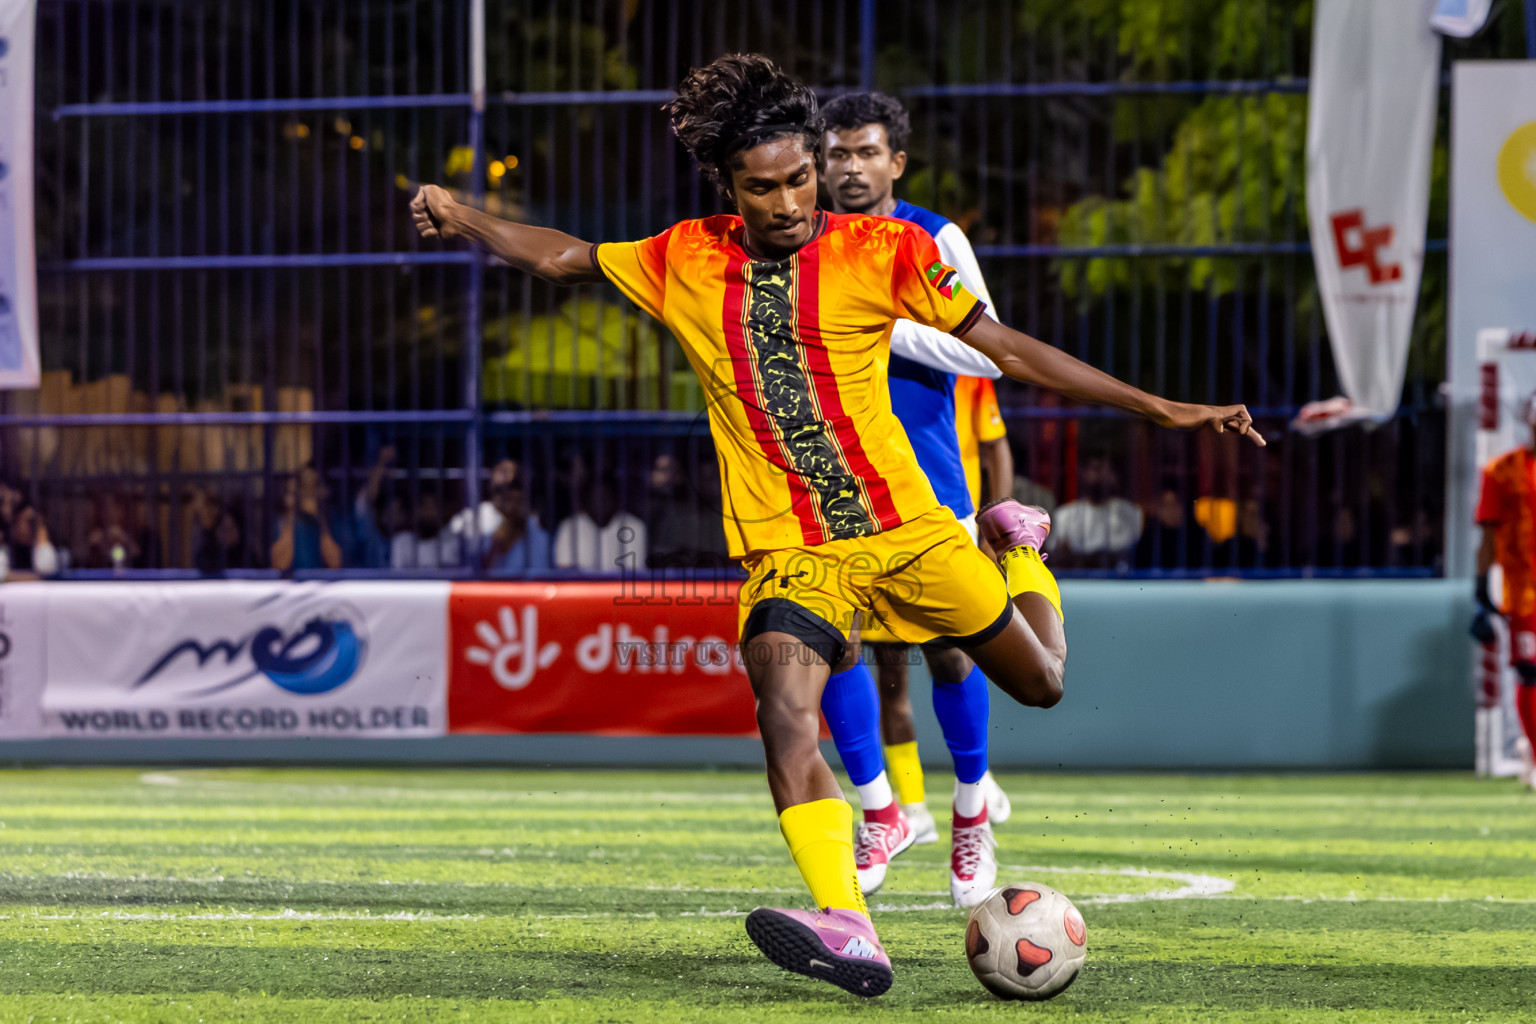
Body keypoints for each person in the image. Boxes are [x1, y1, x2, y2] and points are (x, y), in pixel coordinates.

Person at [412, 52, 1262, 998]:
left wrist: (1162, 408)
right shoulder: (686, 256)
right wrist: (463, 214)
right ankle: (849, 925)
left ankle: (1020, 550)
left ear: (817, 164)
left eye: (799, 178)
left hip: (912, 533)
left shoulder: (886, 251)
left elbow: (1007, 350)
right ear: (728, 188)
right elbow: (564, 256)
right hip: (794, 554)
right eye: (761, 187)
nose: (786, 203)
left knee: (1044, 684)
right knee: (783, 716)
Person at [815, 90, 1013, 909]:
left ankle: (971, 811)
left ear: (896, 161)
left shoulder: (932, 237)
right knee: (836, 643)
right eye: (837, 153)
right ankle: (881, 811)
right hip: (833, 479)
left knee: (953, 651)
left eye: (866, 152)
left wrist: (881, 323)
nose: (850, 167)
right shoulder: (803, 240)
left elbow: (988, 351)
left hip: (929, 477)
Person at [1471, 392, 1536, 789]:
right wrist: (1481, 586)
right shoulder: (1502, 470)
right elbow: (1488, 534)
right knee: (1531, 671)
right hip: (1524, 588)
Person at [1047, 453, 1144, 569]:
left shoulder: (1131, 513)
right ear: (1083, 473)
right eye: (1095, 469)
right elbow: (1055, 555)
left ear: (1114, 476)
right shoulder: (1064, 515)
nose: (1099, 475)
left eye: (1104, 469)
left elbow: (1129, 554)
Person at [553, 473, 647, 572]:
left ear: (616, 497)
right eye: (595, 496)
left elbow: (633, 571)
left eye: (606, 495)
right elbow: (565, 570)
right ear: (585, 499)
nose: (601, 501)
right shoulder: (570, 527)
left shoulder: (634, 526)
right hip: (581, 583)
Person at [481, 459, 553, 574]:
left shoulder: (541, 538)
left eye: (513, 487)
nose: (505, 497)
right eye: (498, 491)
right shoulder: (489, 535)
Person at [270, 463, 343, 572]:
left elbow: (335, 564)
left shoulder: (332, 517)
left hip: (320, 579)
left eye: (313, 486)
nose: (310, 494)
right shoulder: (283, 520)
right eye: (305, 487)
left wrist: (321, 521)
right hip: (292, 580)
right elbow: (280, 565)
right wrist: (291, 516)